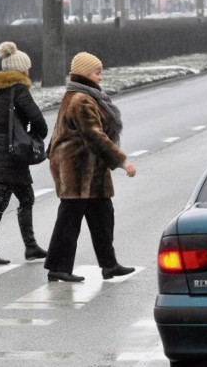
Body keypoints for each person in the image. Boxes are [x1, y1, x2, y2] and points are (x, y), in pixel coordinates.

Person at [44, 52, 137, 282]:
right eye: (97, 73)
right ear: (85, 74)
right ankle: (58, 268)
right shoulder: (81, 100)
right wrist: (122, 161)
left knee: (103, 216)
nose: (100, 77)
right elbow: (95, 136)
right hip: (76, 169)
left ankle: (109, 265)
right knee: (69, 220)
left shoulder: (86, 96)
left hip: (91, 169)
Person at [0, 41, 48, 264]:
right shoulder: (19, 90)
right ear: (21, 70)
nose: (29, 72)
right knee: (3, 200)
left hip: (0, 150)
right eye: (27, 68)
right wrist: (34, 137)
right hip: (12, 154)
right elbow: (38, 120)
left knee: (23, 197)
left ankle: (30, 246)